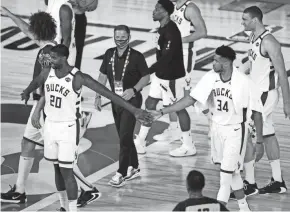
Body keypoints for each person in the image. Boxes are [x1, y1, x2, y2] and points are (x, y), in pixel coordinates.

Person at [20, 44, 151, 211]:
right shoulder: (48, 71)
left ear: (63, 58)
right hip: (50, 125)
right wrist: (27, 91)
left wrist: (134, 110)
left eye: (53, 58)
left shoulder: (78, 77)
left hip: (68, 128)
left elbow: (108, 94)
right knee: (56, 168)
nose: (49, 61)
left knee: (66, 170)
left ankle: (73, 209)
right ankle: (63, 206)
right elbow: (38, 80)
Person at [0, 6, 101, 208]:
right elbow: (26, 30)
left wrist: (38, 110)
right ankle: (20, 190)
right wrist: (10, 14)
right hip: (46, 105)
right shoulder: (50, 46)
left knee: (59, 162)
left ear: (37, 32)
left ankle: (88, 188)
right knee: (28, 142)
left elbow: (49, 85)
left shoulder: (46, 54)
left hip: (48, 108)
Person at [151, 45, 264, 211]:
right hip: (217, 129)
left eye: (216, 60)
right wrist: (161, 111)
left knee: (224, 178)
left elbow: (258, 113)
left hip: (235, 131)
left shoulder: (244, 82)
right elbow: (190, 99)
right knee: (232, 173)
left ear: (225, 63)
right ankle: (244, 207)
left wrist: (259, 142)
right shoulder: (211, 77)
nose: (213, 63)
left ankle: (219, 208)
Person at [45, 0, 103, 206]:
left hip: (64, 80)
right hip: (56, 80)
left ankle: (86, 189)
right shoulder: (56, 5)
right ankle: (80, 193)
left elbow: (70, 44)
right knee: (59, 162)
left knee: (60, 161)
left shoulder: (69, 12)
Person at [230, 6, 289, 198]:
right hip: (257, 94)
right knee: (269, 135)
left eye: (245, 19)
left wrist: (287, 103)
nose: (242, 22)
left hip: (265, 96)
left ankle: (250, 183)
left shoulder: (270, 42)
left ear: (255, 20)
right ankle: (278, 181)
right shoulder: (253, 38)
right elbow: (255, 65)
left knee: (248, 137)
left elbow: (282, 74)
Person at [134, 0, 196, 157]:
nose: (153, 11)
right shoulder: (161, 29)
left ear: (166, 13)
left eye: (157, 9)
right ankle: (140, 141)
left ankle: (188, 145)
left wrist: (147, 71)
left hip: (172, 77)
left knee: (179, 109)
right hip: (161, 75)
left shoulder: (171, 32)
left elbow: (166, 59)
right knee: (150, 103)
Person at [94, 25, 150, 187]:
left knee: (125, 138)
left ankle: (122, 172)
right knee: (124, 136)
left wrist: (133, 90)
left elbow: (146, 78)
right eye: (117, 37)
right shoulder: (109, 54)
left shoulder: (137, 56)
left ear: (129, 37)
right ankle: (135, 166)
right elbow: (103, 75)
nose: (120, 41)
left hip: (132, 102)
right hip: (115, 100)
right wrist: (98, 95)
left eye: (123, 38)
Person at [154, 0, 208, 148]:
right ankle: (174, 128)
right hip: (171, 53)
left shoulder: (190, 8)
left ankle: (210, 117)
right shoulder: (172, 6)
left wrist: (177, 40)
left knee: (179, 94)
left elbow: (202, 31)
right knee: (179, 94)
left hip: (184, 55)